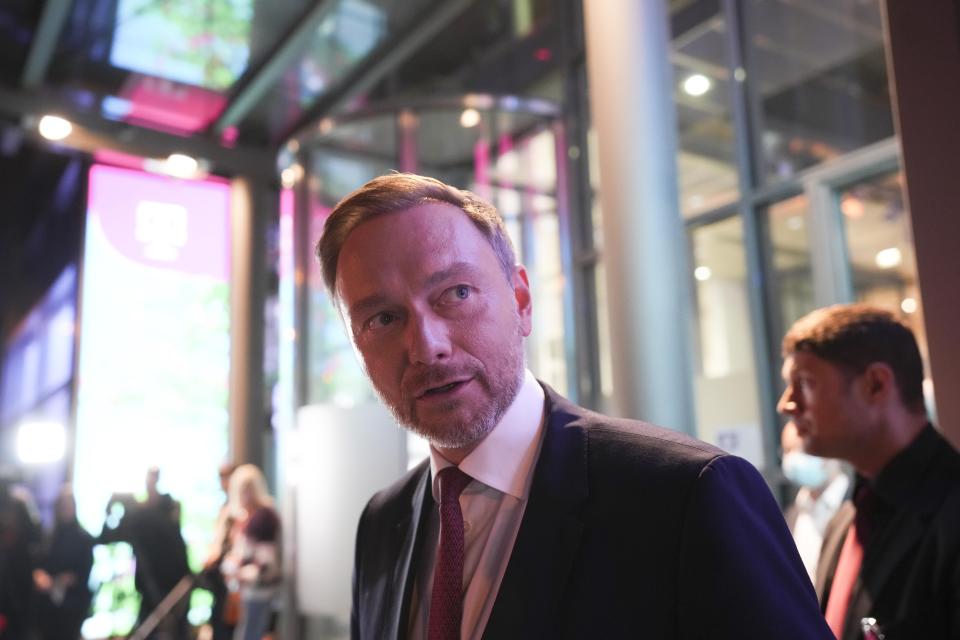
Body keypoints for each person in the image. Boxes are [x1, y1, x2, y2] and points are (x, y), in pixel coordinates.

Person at [317, 173, 832, 638]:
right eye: (382, 319)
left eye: (456, 293)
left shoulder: (685, 497)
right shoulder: (383, 522)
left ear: (521, 300)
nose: (426, 346)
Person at [778, 304, 960, 640]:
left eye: (804, 383)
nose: (787, 404)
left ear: (876, 384)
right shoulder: (847, 517)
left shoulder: (951, 513)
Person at [99, 467, 191, 638]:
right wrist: (109, 510)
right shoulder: (137, 518)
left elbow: (173, 541)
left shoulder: (164, 510)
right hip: (148, 588)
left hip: (174, 585)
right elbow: (106, 538)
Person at [781, 421, 849, 583]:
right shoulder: (791, 515)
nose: (794, 458)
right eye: (787, 450)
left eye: (803, 449)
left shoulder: (855, 505)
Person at [220, 464, 281, 640]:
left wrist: (239, 572)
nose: (245, 495)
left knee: (250, 634)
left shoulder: (263, 518)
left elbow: (264, 562)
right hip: (252, 590)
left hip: (260, 590)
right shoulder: (251, 517)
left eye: (248, 489)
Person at [32, 484, 95, 640]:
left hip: (72, 608)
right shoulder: (49, 537)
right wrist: (40, 576)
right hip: (46, 609)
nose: (64, 510)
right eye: (62, 506)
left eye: (67, 506)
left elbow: (82, 574)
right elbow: (39, 565)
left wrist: (64, 580)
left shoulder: (83, 539)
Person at [202, 463, 238, 640]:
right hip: (219, 576)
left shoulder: (238, 509)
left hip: (231, 579)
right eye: (221, 477)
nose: (224, 482)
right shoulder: (225, 506)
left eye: (227, 477)